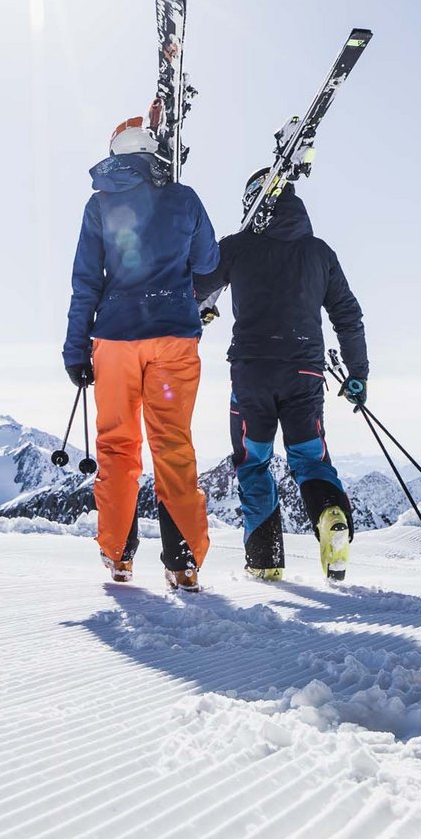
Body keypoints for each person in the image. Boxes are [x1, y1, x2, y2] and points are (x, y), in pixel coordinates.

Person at [63, 109, 220, 591]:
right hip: (174, 337)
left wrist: (75, 349)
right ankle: (184, 562)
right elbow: (209, 260)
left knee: (116, 445)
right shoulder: (184, 199)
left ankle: (118, 556)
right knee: (172, 445)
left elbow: (86, 282)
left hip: (114, 340)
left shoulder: (99, 207)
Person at [195, 169, 367, 581]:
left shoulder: (236, 249)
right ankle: (330, 516)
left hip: (252, 373)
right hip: (304, 372)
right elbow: (347, 314)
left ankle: (265, 561)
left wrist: (204, 305)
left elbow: (197, 288)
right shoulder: (319, 253)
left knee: (253, 462)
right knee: (310, 459)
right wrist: (357, 373)